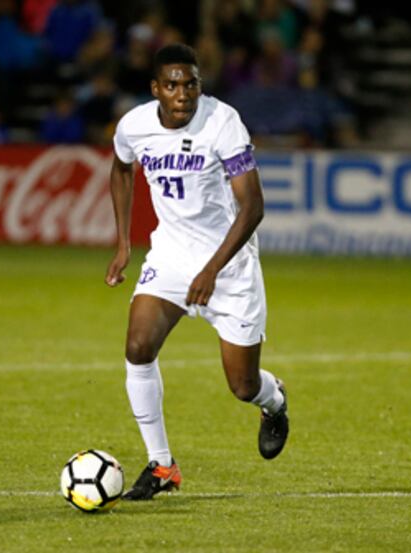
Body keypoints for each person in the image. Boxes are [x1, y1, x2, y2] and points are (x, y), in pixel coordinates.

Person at [105, 43, 289, 501]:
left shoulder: (223, 123)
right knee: (137, 347)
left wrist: (211, 271)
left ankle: (275, 400)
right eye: (172, 85)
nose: (182, 93)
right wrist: (125, 241)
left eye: (190, 84)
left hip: (230, 264)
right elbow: (121, 168)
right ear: (156, 90)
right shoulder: (135, 126)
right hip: (170, 256)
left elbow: (253, 207)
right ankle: (162, 465)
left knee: (242, 386)